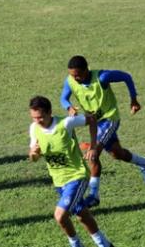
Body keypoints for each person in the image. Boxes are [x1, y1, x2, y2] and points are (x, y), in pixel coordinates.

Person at [60, 55, 145, 207]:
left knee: (93, 153)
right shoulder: (70, 81)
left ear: (86, 69)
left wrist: (133, 99)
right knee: (117, 153)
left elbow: (126, 77)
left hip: (110, 119)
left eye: (78, 75)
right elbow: (63, 98)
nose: (75, 78)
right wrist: (68, 107)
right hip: (94, 123)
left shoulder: (103, 77)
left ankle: (94, 195)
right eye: (72, 75)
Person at [28, 96, 114, 247]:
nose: (37, 121)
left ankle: (75, 244)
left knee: (60, 216)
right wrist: (34, 154)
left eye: (40, 117)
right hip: (58, 180)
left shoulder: (65, 123)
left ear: (49, 112)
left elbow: (92, 119)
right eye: (34, 117)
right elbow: (33, 157)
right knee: (82, 215)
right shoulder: (34, 128)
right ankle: (104, 244)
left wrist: (93, 146)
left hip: (76, 176)